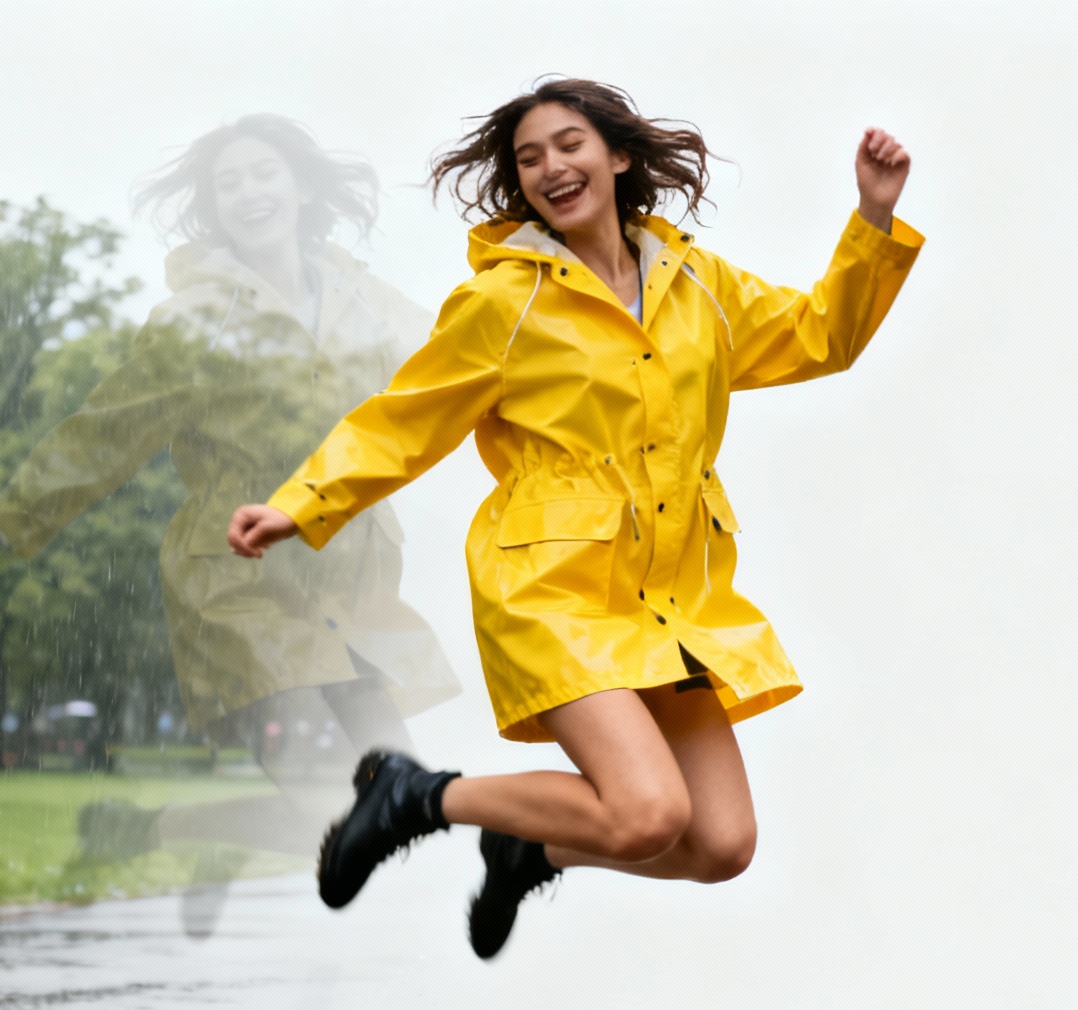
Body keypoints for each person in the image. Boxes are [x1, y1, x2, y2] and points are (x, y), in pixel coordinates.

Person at [228, 79, 921, 959]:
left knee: (718, 846)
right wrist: (299, 505)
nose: (551, 166)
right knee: (646, 814)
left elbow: (824, 336)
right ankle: (415, 796)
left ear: (618, 156)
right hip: (551, 584)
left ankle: (529, 846)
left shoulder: (698, 285)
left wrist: (871, 217)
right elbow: (405, 418)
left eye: (569, 144)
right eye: (529, 158)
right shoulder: (504, 303)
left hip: (670, 594)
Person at [0, 116, 461, 916]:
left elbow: (461, 366)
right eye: (230, 182)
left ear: (300, 185)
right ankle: (167, 833)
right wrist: (9, 519)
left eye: (264, 173)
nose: (250, 194)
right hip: (240, 582)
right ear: (212, 207)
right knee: (336, 800)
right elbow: (107, 428)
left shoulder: (366, 299)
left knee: (410, 809)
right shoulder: (195, 319)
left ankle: (158, 831)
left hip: (348, 584)